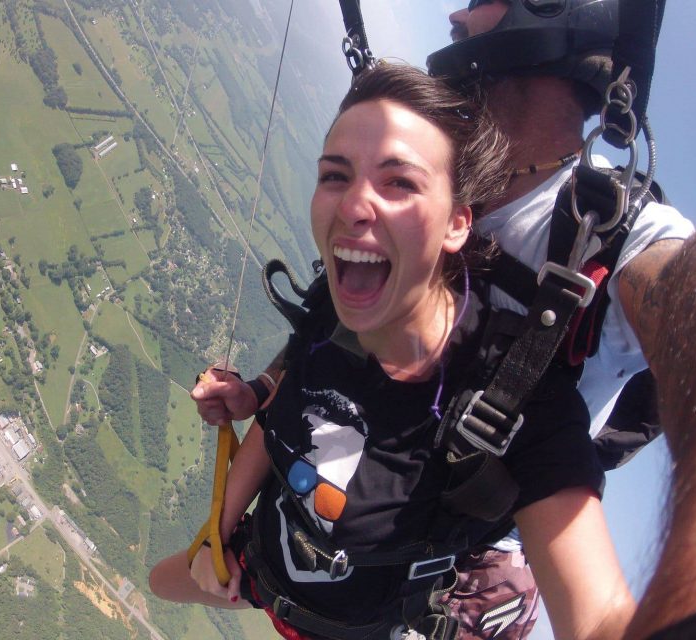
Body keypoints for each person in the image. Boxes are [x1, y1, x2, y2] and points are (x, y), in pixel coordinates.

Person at [151, 61, 635, 640]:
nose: (354, 206)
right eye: (335, 175)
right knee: (160, 582)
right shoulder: (340, 302)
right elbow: (281, 419)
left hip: (365, 625)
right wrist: (216, 534)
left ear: (458, 223)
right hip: (261, 570)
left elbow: (601, 615)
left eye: (399, 182)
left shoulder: (520, 402)